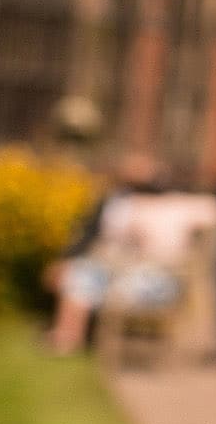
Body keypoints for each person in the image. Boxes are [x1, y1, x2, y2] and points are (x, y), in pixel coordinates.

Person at [46, 152, 180, 356]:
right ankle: (68, 336)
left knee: (111, 285)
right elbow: (88, 234)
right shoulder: (113, 201)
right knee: (78, 276)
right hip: (108, 264)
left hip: (147, 270)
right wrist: (66, 260)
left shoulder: (165, 204)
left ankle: (90, 338)